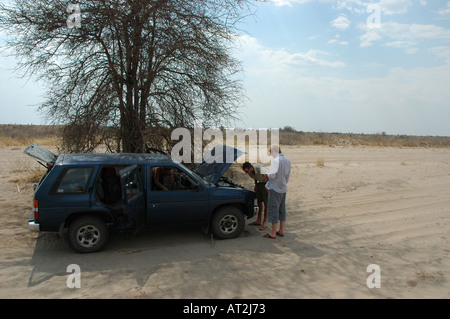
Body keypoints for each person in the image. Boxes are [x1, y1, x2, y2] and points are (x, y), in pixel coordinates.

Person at [263, 145, 291, 239]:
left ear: (273, 152)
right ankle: (281, 230)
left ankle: (273, 232)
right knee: (282, 209)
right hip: (283, 188)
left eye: (271, 153)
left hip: (275, 188)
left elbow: (272, 176)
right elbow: (287, 176)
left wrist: (267, 176)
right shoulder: (287, 160)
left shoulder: (276, 161)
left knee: (274, 209)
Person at [242, 162, 268, 230]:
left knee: (266, 203)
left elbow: (269, 176)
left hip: (266, 183)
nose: (246, 173)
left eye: (247, 171)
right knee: (259, 202)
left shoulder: (260, 168)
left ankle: (265, 221)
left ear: (251, 168)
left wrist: (268, 187)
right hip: (260, 183)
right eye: (245, 172)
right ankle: (258, 220)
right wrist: (256, 184)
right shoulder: (250, 172)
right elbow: (255, 177)